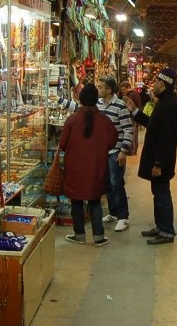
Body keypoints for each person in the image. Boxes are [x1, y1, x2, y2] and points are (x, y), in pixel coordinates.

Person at [55, 84, 118, 247]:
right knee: (94, 200)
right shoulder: (104, 121)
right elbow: (112, 141)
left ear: (81, 100)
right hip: (97, 167)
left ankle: (79, 235)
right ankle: (98, 236)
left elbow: (62, 144)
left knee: (76, 201)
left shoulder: (73, 119)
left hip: (75, 168)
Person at [124, 68, 177, 245]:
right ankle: (160, 226)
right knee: (158, 193)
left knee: (162, 194)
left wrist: (158, 164)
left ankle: (167, 232)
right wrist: (134, 112)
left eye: (155, 82)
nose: (153, 85)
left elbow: (167, 139)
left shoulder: (170, 106)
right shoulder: (164, 102)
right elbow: (152, 125)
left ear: (162, 84)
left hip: (161, 161)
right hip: (158, 158)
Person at [97, 76, 134, 232]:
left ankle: (123, 217)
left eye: (100, 87)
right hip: (102, 152)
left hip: (115, 152)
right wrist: (60, 102)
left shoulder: (120, 106)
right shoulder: (98, 104)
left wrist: (123, 151)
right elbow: (81, 108)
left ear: (109, 90)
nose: (98, 89)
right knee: (107, 183)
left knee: (117, 183)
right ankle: (112, 212)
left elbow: (128, 130)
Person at [119, 81, 142, 155]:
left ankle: (131, 150)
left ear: (128, 88)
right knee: (135, 133)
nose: (123, 91)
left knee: (132, 133)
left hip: (132, 116)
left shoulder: (130, 95)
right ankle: (134, 150)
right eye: (122, 89)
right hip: (136, 116)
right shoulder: (134, 93)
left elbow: (129, 107)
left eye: (124, 89)